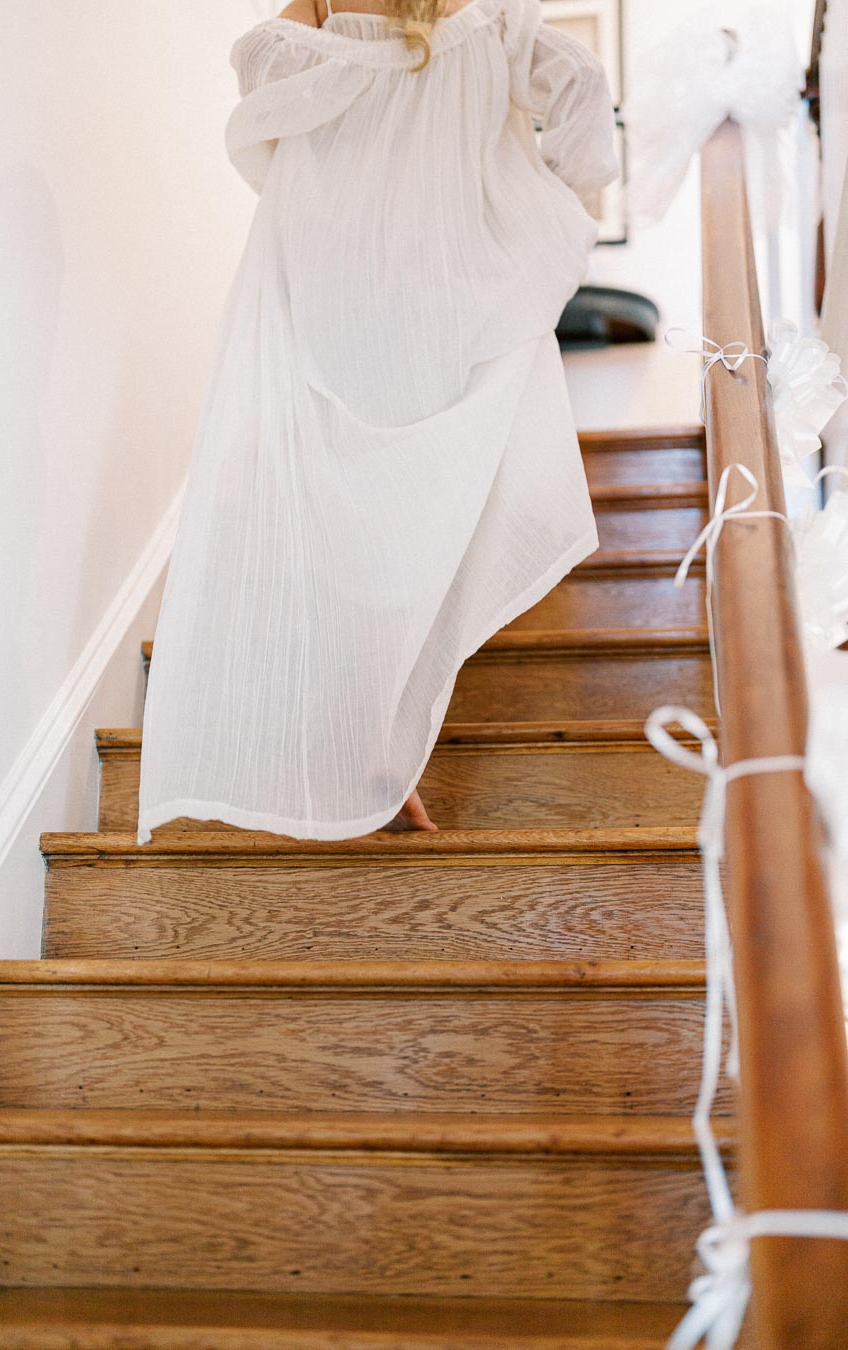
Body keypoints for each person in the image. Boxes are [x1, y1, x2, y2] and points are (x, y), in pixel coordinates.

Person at [136, 0, 619, 846]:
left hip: (341, 297)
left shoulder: (319, 9)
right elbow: (581, 85)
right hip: (447, 305)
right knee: (420, 528)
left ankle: (346, 760)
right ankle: (379, 763)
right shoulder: (493, 18)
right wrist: (546, 208)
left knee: (340, 522)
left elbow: (259, 85)